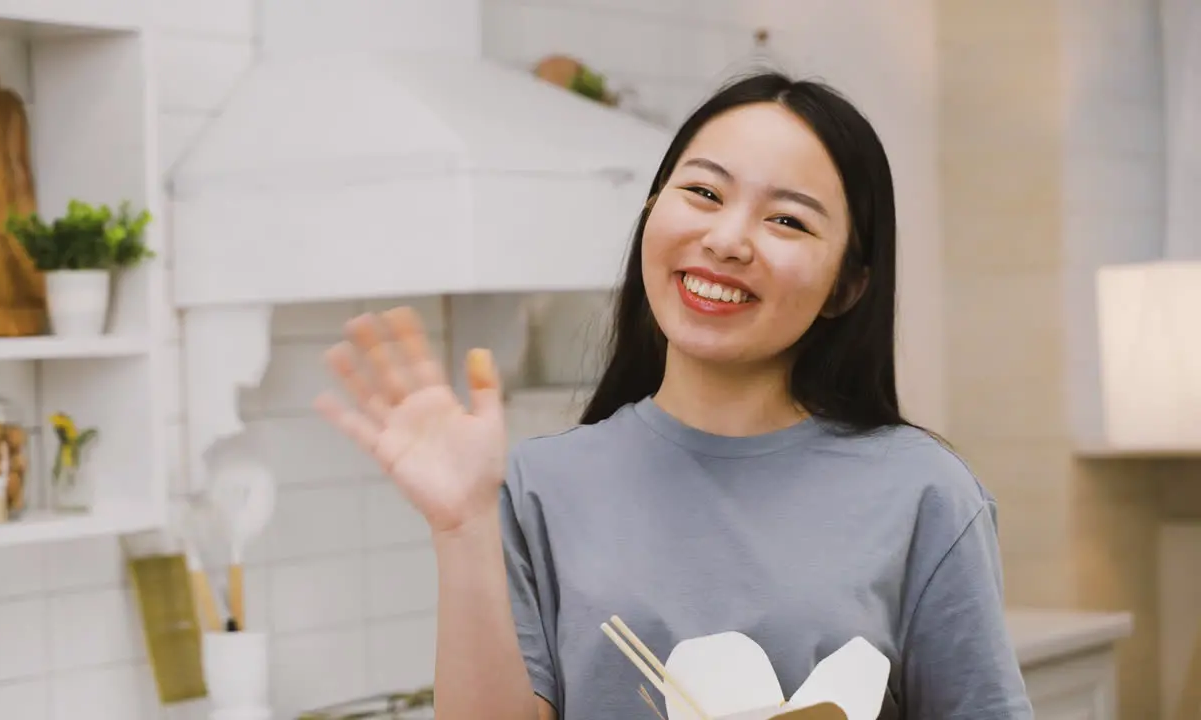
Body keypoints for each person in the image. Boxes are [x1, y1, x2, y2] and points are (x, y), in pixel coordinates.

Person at [314, 71, 1033, 720]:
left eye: (787, 219)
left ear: (848, 284)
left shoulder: (923, 493)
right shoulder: (538, 486)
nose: (726, 239)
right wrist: (461, 525)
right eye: (703, 192)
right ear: (653, 211)